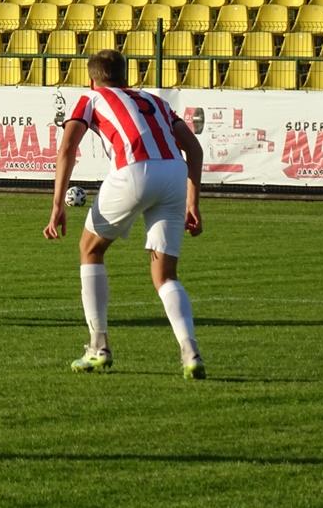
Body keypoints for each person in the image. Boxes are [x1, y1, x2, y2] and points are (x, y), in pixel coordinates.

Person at [42, 49, 207, 380]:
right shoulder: (155, 100)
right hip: (174, 173)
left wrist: (57, 204)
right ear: (126, 75)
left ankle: (98, 348)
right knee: (165, 275)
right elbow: (195, 148)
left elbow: (67, 149)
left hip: (133, 170)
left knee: (90, 249)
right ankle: (190, 352)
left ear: (92, 78)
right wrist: (193, 202)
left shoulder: (90, 98)